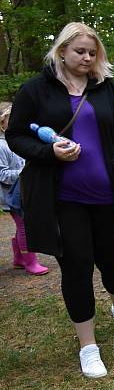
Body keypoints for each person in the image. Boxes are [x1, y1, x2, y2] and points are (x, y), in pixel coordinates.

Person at [6, 22, 114, 378]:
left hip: (106, 194)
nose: (86, 57)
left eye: (92, 52)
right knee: (76, 265)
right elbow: (17, 136)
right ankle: (88, 346)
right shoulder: (35, 91)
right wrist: (49, 151)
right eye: (79, 51)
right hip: (62, 199)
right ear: (62, 51)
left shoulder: (107, 89)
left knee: (113, 259)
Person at [0, 102, 48, 275]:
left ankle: (19, 259)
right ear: (2, 122)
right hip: (10, 196)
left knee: (21, 224)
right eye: (11, 118)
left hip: (22, 192)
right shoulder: (1, 146)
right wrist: (23, 172)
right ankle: (30, 262)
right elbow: (2, 174)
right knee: (25, 226)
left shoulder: (15, 142)